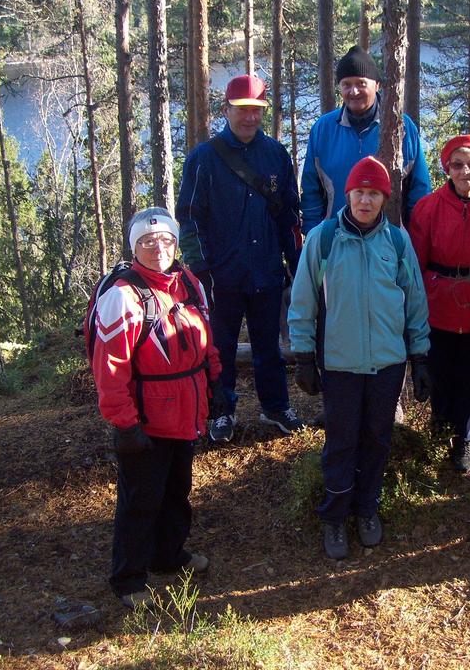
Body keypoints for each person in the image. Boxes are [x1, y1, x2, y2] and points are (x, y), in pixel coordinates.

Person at [288, 157, 432, 560]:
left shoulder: (398, 242)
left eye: (374, 193)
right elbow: (302, 301)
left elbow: (415, 302)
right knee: (341, 442)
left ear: (385, 198)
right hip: (340, 363)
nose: (365, 200)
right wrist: (303, 355)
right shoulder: (324, 238)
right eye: (359, 192)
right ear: (347, 194)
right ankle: (334, 516)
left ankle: (367, 509)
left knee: (376, 439)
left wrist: (420, 356)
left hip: (388, 363)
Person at [92, 207, 221, 608]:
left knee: (177, 490)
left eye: (166, 240)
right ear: (134, 248)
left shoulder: (188, 284)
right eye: (147, 242)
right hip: (146, 420)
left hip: (187, 410)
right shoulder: (122, 296)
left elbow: (205, 341)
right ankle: (128, 578)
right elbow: (109, 370)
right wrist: (125, 424)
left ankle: (168, 554)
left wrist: (214, 384)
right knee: (141, 499)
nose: (158, 248)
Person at [176, 74, 305, 444]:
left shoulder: (276, 155)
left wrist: (294, 264)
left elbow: (288, 216)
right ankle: (222, 411)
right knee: (220, 349)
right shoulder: (204, 158)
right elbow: (189, 216)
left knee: (270, 347)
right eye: (242, 110)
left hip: (266, 271)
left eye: (257, 111)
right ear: (226, 109)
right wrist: (202, 271)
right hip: (222, 276)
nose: (250, 117)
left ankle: (275, 407)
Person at [408, 135, 470, 473]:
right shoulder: (428, 207)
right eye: (457, 164)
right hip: (438, 305)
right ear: (447, 168)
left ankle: (463, 438)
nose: (465, 171)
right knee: (440, 376)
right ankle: (439, 430)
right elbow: (416, 263)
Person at [300, 45, 432, 235]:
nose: (353, 91)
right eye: (346, 84)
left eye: (361, 83)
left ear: (376, 84)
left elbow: (419, 192)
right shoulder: (324, 129)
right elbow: (311, 190)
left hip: (389, 242)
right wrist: (314, 238)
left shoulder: (401, 126)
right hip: (336, 241)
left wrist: (416, 241)